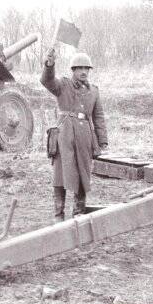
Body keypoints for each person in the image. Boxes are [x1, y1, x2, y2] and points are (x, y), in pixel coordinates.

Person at [41, 50, 108, 222]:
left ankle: (78, 214)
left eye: (86, 68)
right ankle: (58, 216)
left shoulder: (94, 91)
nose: (83, 71)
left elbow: (98, 117)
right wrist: (49, 65)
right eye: (79, 68)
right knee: (60, 174)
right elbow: (47, 81)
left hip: (85, 136)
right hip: (64, 134)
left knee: (83, 173)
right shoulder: (63, 85)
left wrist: (102, 141)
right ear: (73, 70)